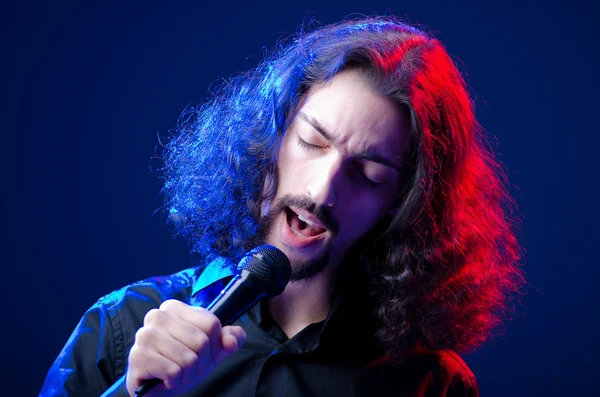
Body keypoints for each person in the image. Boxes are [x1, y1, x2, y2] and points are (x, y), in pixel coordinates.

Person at [41, 16, 523, 397]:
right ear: (271, 138)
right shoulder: (124, 324)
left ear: (402, 205)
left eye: (368, 173)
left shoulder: (430, 385)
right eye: (313, 141)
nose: (321, 190)